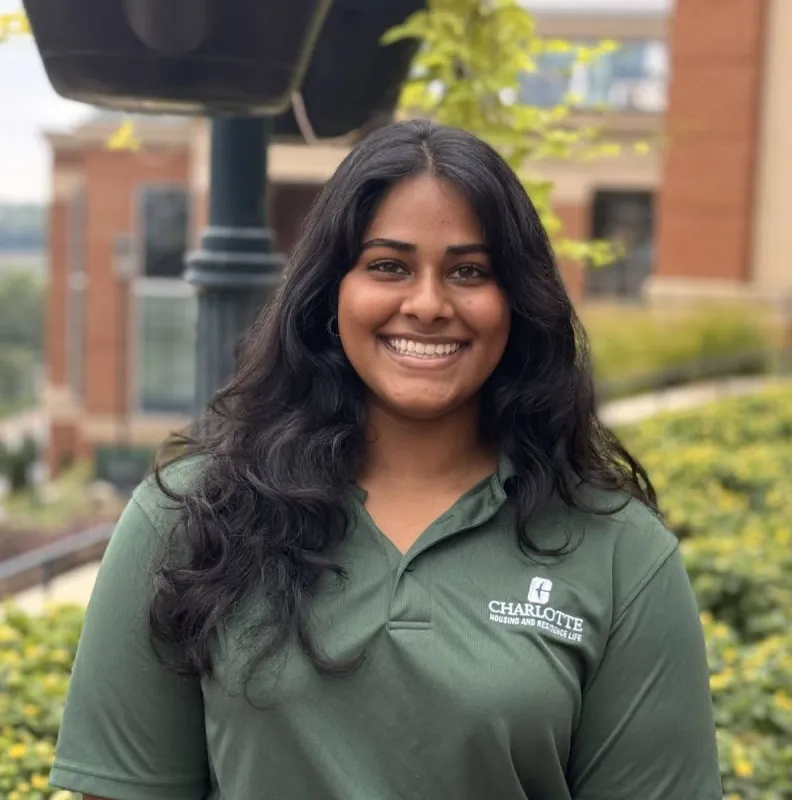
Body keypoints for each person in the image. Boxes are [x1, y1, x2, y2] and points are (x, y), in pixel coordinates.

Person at [50, 119, 721, 800]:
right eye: (388, 266)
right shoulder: (192, 514)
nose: (427, 304)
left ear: (517, 301)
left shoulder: (619, 552)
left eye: (469, 271)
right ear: (328, 295)